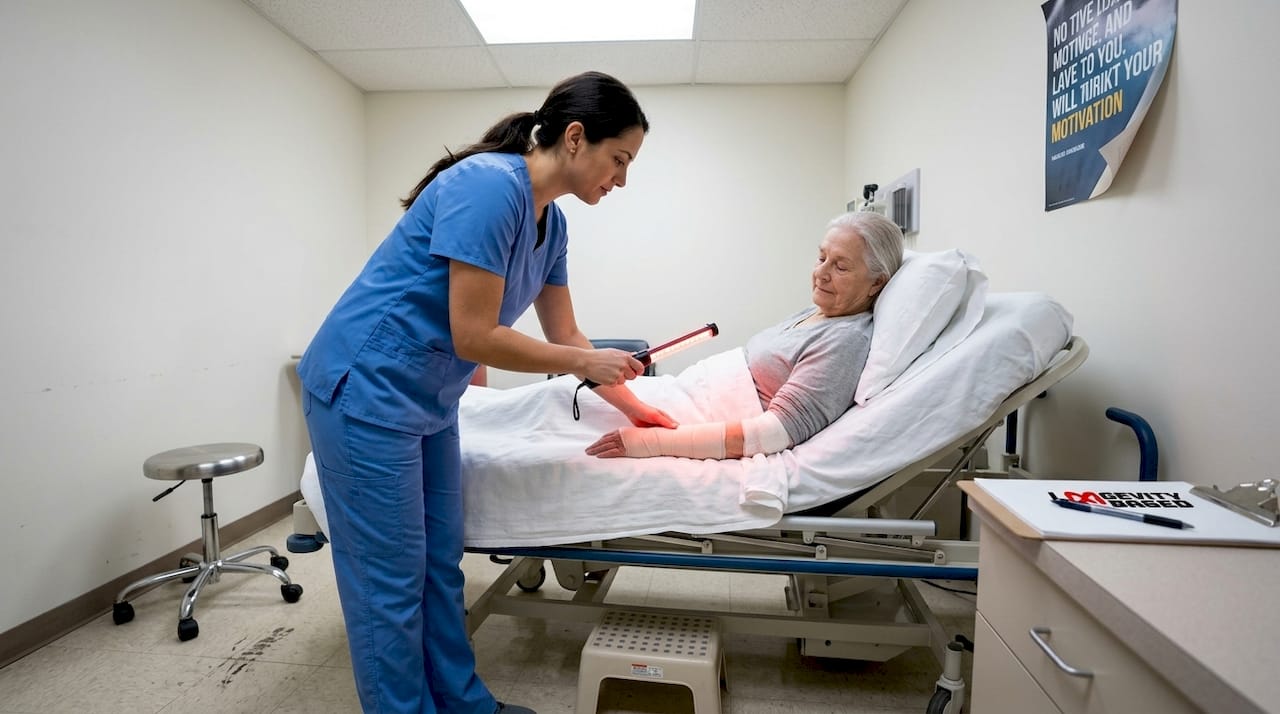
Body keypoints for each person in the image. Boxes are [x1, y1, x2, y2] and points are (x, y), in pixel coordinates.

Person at [297, 71, 674, 714]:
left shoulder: (552, 225)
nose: (621, 179)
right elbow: (475, 335)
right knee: (389, 584)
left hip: (431, 401)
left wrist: (638, 408)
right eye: (620, 159)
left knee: (439, 566)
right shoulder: (488, 186)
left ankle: (465, 703)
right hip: (365, 390)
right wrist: (586, 360)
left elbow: (566, 334)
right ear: (575, 138)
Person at [585, 211, 904, 460]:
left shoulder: (845, 342)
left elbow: (772, 434)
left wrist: (649, 443)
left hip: (690, 421)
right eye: (822, 258)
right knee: (573, 396)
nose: (821, 273)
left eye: (841, 267)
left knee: (572, 411)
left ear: (876, 283)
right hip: (681, 396)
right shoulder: (818, 313)